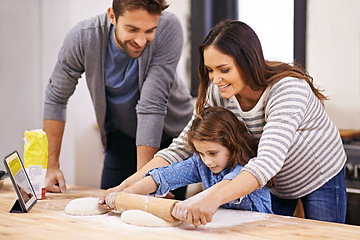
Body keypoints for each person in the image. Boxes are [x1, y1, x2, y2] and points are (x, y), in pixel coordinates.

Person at [101, 19, 347, 225]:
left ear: (248, 61)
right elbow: (182, 147)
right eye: (210, 70)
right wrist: (126, 185)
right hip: (272, 181)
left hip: (317, 174)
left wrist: (210, 199)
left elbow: (268, 160)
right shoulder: (219, 92)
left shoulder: (287, 90)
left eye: (224, 69)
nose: (216, 78)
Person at [43, 0, 193, 199]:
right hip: (120, 138)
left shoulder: (168, 27)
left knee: (156, 220)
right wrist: (51, 166)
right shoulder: (83, 37)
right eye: (132, 29)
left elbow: (152, 106)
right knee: (108, 210)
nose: (141, 41)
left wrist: (146, 182)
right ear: (112, 16)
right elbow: (56, 97)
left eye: (149, 31)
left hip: (169, 141)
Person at [104, 106, 273, 226]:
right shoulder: (201, 163)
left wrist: (191, 203)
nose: (207, 161)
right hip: (223, 230)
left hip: (259, 228)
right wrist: (125, 194)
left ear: (232, 144)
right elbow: (163, 176)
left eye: (213, 153)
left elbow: (228, 184)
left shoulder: (247, 166)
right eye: (201, 153)